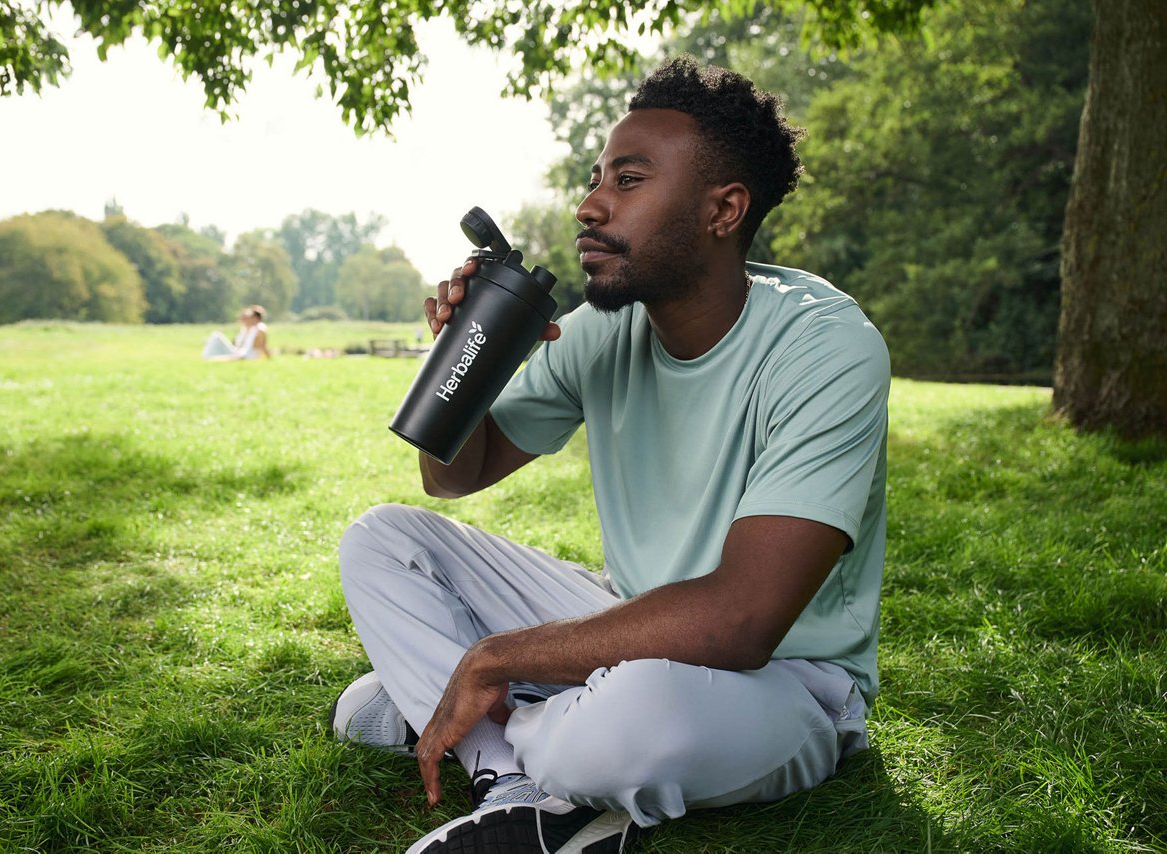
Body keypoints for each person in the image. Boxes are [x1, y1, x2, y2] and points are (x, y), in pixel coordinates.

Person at [334, 56, 890, 854]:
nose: (590, 205)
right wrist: (468, 355)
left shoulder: (827, 347)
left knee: (635, 718)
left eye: (627, 182)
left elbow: (742, 621)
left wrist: (495, 658)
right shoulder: (605, 328)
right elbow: (452, 475)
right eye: (597, 179)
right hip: (628, 618)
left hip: (784, 682)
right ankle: (511, 780)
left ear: (723, 209)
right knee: (382, 539)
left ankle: (460, 703)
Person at [202, 305, 271, 360]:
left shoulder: (260, 328)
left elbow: (262, 346)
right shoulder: (246, 329)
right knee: (216, 335)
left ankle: (206, 356)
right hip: (238, 353)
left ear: (255, 318)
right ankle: (207, 355)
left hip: (245, 356)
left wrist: (268, 357)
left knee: (213, 356)